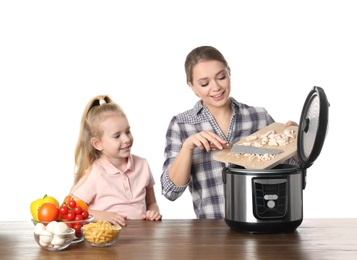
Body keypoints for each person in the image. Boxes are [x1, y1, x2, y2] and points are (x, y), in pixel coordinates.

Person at [161, 46, 298, 219]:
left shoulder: (259, 117)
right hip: (211, 233)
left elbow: (292, 169)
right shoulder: (181, 124)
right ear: (192, 86)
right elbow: (169, 191)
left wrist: (297, 142)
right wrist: (188, 147)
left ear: (229, 72)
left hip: (261, 224)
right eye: (204, 83)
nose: (216, 87)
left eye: (221, 77)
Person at [70, 95, 162, 226]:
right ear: (97, 144)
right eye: (117, 136)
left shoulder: (143, 165)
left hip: (141, 240)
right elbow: (71, 209)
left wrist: (153, 211)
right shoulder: (95, 173)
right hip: (108, 241)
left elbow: (151, 203)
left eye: (128, 131)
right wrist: (100, 215)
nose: (126, 139)